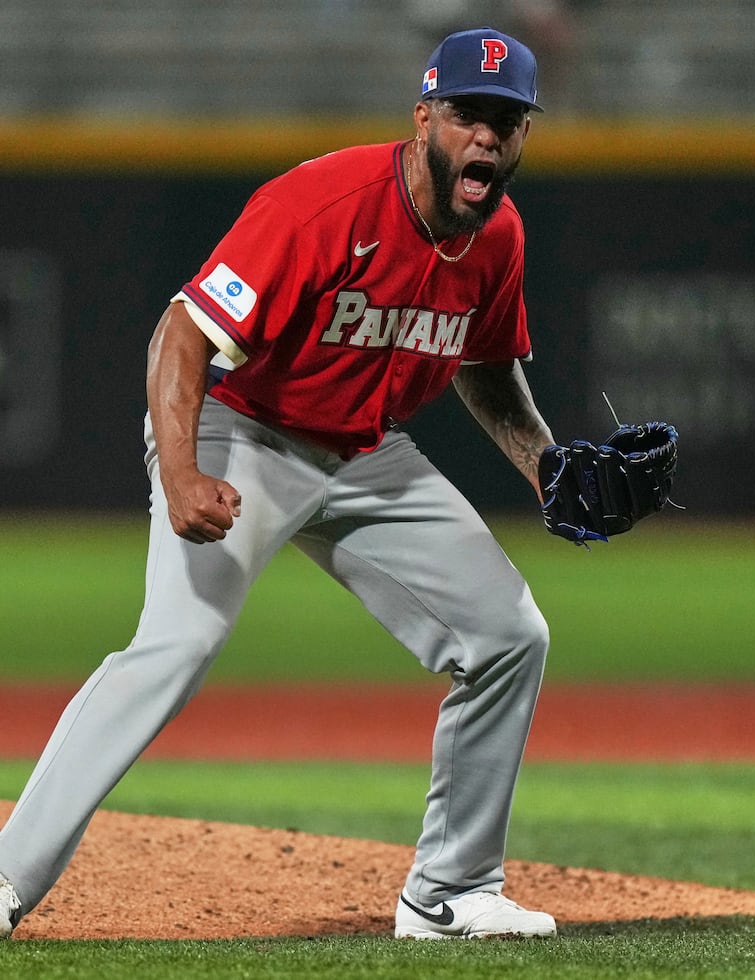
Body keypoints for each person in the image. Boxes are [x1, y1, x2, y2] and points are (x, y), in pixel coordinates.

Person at [0, 27, 559, 941]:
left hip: (368, 455)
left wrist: (545, 466)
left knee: (508, 635)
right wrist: (180, 470)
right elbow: (180, 333)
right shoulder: (323, 204)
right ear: (424, 118)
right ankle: (6, 875)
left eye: (508, 120)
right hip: (244, 432)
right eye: (468, 114)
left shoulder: (498, 236)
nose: (487, 138)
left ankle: (450, 891)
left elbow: (486, 365)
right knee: (175, 645)